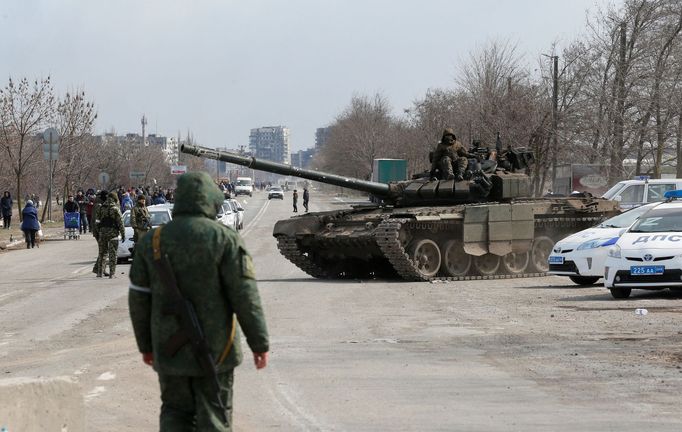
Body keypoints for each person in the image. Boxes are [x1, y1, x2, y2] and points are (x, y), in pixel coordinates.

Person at [128, 171, 269, 431]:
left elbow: (138, 300)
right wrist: (259, 343)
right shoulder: (224, 239)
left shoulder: (153, 241)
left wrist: (146, 346)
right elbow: (245, 296)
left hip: (169, 349)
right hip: (218, 349)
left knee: (174, 413)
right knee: (214, 415)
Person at [93, 191, 124, 278]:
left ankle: (99, 273)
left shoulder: (101, 207)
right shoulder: (115, 208)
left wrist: (98, 230)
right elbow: (120, 222)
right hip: (113, 233)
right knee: (112, 254)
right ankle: (112, 274)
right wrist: (123, 234)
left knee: (102, 253)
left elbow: (97, 221)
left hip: (102, 233)